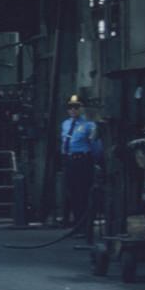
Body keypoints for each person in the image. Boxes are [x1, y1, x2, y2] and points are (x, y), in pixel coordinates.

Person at [60, 96, 99, 225]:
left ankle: (85, 224)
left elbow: (95, 144)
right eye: (70, 107)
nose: (72, 110)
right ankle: (77, 223)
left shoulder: (89, 125)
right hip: (69, 160)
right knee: (72, 192)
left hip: (82, 161)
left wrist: (94, 160)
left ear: (81, 109)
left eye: (76, 107)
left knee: (83, 192)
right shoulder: (65, 124)